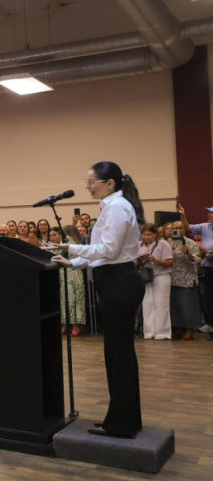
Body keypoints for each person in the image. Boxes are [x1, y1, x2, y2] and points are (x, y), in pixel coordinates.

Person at [48, 161, 146, 439]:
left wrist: (69, 246)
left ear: (110, 183)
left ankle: (122, 424)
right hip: (117, 279)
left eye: (91, 182)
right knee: (119, 355)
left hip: (119, 283)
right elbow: (106, 253)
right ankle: (126, 419)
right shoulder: (115, 206)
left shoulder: (116, 208)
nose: (88, 187)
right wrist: (72, 262)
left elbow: (109, 250)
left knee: (118, 355)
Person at [177, 203, 213, 333]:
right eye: (208, 212)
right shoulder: (205, 226)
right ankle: (210, 323)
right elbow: (187, 228)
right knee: (209, 297)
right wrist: (183, 215)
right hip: (208, 267)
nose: (209, 214)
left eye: (211, 212)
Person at [136, 223, 173, 340]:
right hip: (145, 276)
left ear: (155, 234)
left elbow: (169, 262)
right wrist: (139, 260)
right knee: (147, 304)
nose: (147, 237)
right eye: (144, 234)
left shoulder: (163, 244)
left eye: (149, 234)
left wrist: (155, 260)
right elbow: (135, 263)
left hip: (161, 276)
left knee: (161, 304)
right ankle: (149, 331)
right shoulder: (138, 245)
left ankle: (162, 332)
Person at [47, 229, 87, 336]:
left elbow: (74, 257)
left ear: (61, 235)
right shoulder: (55, 245)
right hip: (62, 274)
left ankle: (76, 326)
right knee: (64, 299)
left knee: (76, 299)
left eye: (54, 235)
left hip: (73, 272)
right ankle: (65, 323)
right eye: (50, 235)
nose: (52, 237)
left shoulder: (68, 241)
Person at [168, 220, 202, 340]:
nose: (178, 230)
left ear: (185, 230)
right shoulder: (168, 242)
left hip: (187, 278)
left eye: (181, 228)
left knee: (187, 306)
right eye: (175, 228)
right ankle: (178, 329)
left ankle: (189, 330)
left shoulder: (190, 242)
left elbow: (196, 260)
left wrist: (188, 253)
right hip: (172, 278)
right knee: (175, 305)